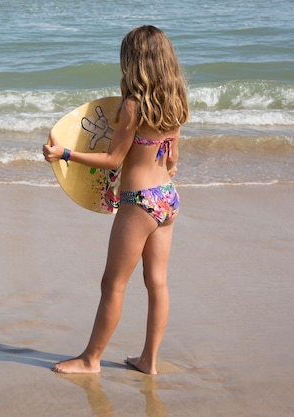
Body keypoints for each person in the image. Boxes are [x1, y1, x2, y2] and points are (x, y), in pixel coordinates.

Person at [42, 25, 189, 375]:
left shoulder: (133, 107)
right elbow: (172, 162)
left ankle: (91, 360)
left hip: (138, 202)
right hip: (167, 199)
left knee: (113, 284)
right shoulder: (176, 100)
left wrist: (65, 153)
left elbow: (112, 160)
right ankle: (148, 362)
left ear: (133, 63)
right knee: (158, 284)